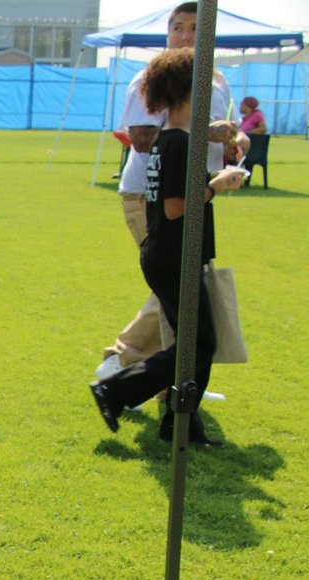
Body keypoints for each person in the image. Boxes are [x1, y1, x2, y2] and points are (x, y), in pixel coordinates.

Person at [90, 48, 249, 446]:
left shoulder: (169, 140)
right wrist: (218, 185)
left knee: (194, 343)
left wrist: (214, 178)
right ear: (188, 93)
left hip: (168, 253)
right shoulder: (179, 143)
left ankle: (181, 427)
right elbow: (177, 207)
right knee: (199, 345)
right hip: (173, 255)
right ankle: (115, 390)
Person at [99, 2, 236, 375]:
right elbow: (142, 138)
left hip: (196, 191)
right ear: (167, 33)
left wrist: (234, 142)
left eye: (195, 28)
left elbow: (222, 132)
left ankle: (170, 381)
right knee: (176, 285)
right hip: (151, 195)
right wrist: (208, 132)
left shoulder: (217, 81)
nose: (186, 36)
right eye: (178, 27)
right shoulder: (152, 78)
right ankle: (122, 363)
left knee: (183, 286)